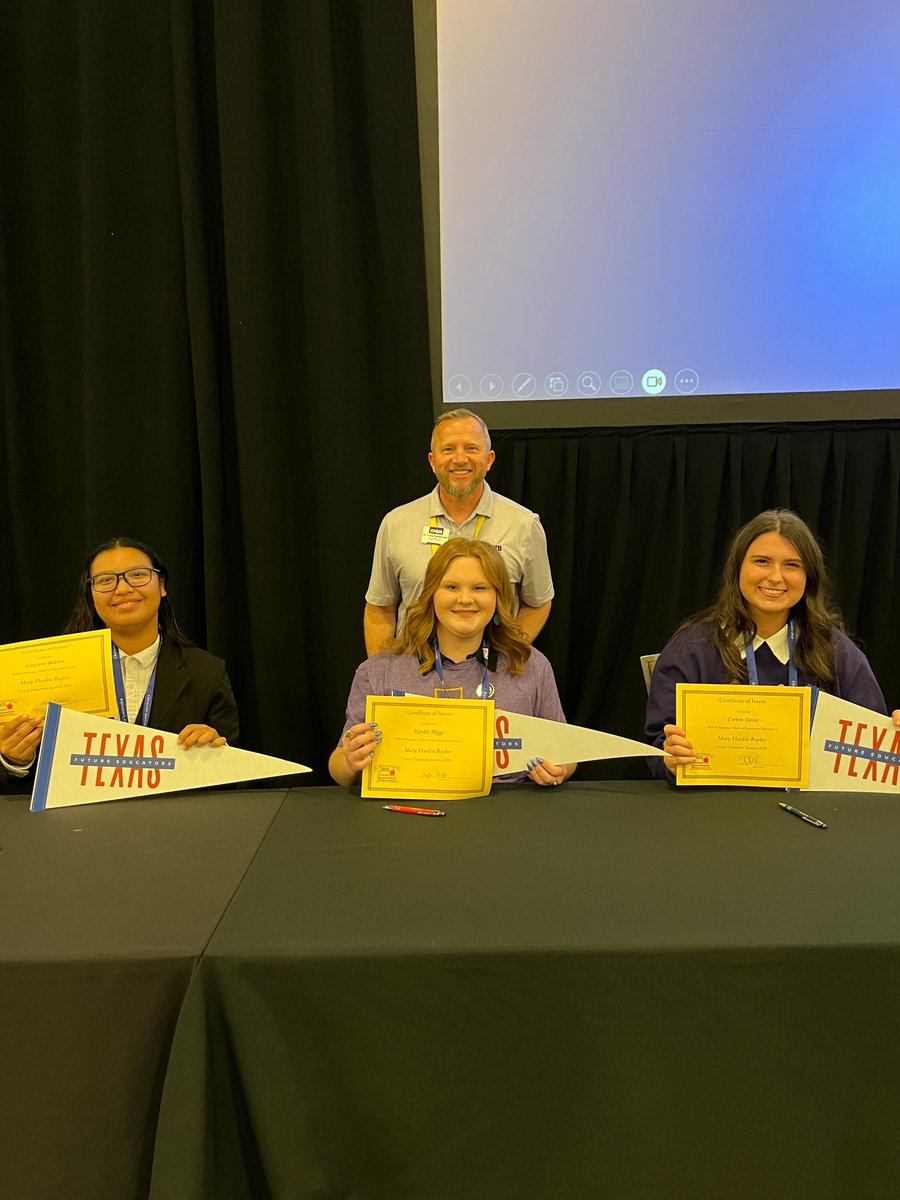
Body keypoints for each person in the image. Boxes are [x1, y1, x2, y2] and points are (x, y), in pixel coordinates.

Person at [645, 509, 887, 781]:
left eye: (792, 565)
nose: (775, 577)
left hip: (811, 804)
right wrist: (669, 758)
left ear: (809, 576)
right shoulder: (691, 647)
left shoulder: (836, 650)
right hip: (714, 802)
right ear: (737, 567)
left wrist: (893, 735)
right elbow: (654, 749)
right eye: (762, 561)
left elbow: (875, 751)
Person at [0, 536, 238, 792]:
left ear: (161, 585)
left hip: (174, 815)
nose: (123, 589)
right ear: (90, 596)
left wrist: (216, 754)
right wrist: (15, 762)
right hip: (79, 815)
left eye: (137, 575)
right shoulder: (50, 670)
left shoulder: (207, 673)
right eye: (105, 580)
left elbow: (238, 777)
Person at [333, 539, 574, 788]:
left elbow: (567, 755)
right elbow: (338, 769)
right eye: (451, 587)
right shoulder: (379, 670)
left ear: (498, 597)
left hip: (507, 805)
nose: (465, 599)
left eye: (480, 588)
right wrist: (350, 761)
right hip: (410, 805)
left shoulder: (531, 665)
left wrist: (559, 769)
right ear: (431, 594)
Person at [363, 408, 554, 655]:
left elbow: (538, 603)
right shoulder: (396, 524)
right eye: (448, 449)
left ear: (489, 459)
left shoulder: (523, 525)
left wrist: (504, 657)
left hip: (489, 673)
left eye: (471, 448)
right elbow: (380, 608)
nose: (460, 459)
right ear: (432, 461)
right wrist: (382, 672)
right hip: (413, 669)